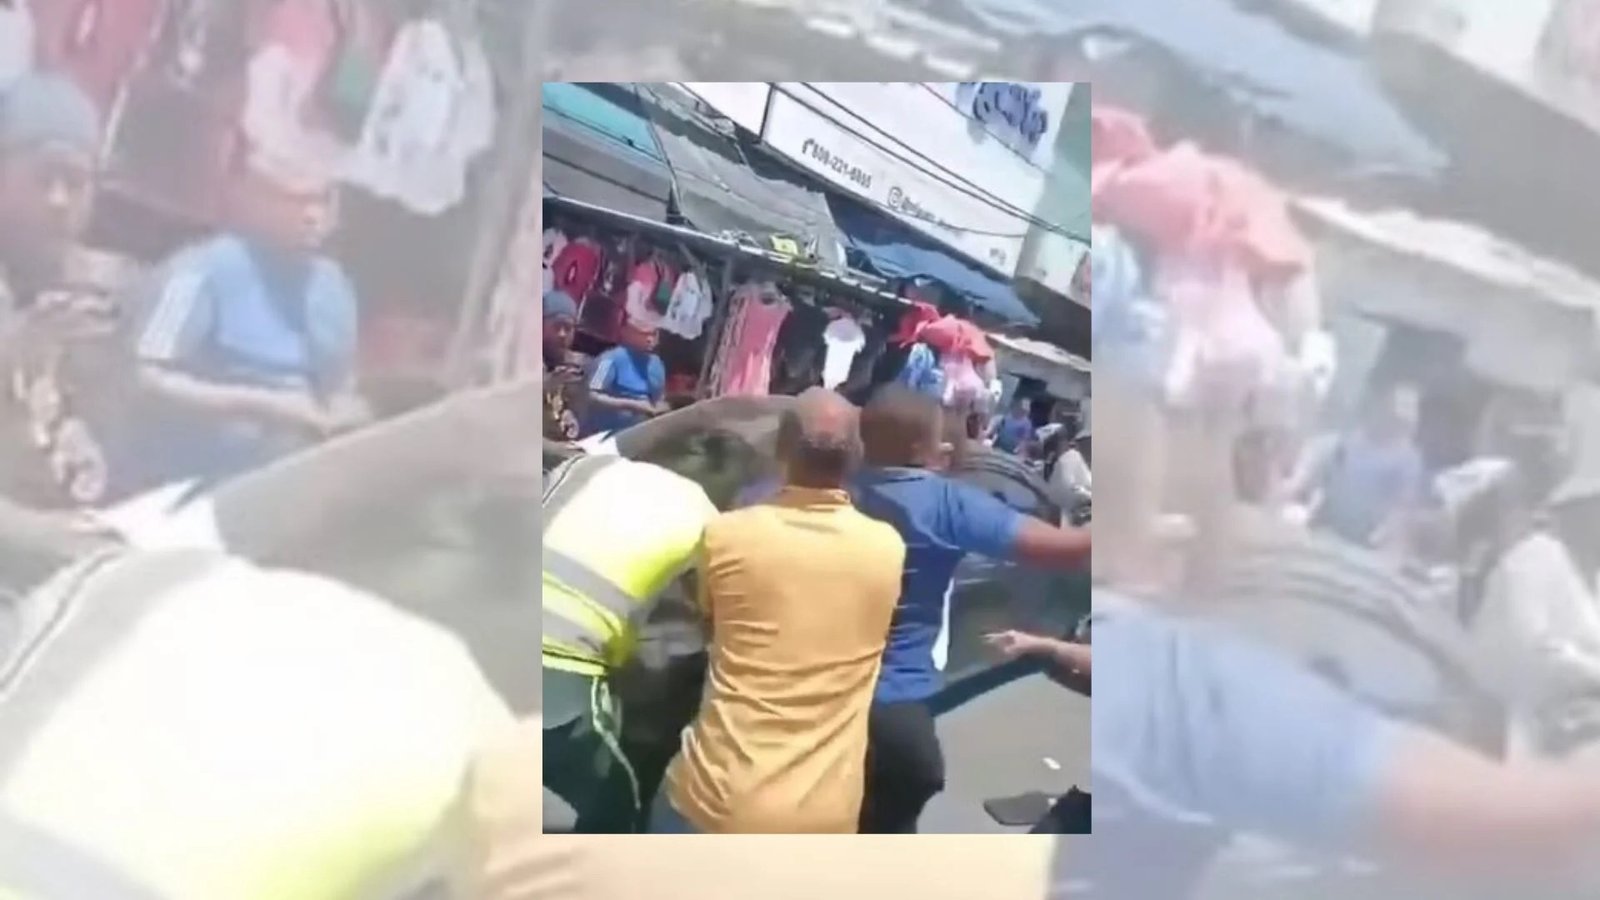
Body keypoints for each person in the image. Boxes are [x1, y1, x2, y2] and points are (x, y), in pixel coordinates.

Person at [656, 389, 905, 834]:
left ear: (780, 449)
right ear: (857, 457)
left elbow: (710, 620)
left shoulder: (726, 535)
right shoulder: (887, 548)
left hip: (714, 798)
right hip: (823, 816)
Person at [852, 385, 1091, 833]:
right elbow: (1070, 551)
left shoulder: (828, 485)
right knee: (912, 786)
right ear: (926, 449)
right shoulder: (945, 502)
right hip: (891, 698)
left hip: (807, 689)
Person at [543, 429, 763, 833]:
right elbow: (717, 621)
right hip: (563, 661)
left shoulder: (588, 467)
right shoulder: (713, 527)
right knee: (610, 796)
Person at [124, 163, 369, 495]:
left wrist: (344, 413)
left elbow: (338, 387)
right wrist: (261, 405)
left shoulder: (334, 287)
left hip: (291, 480)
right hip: (191, 483)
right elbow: (144, 379)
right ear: (256, 198)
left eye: (323, 200)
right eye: (297, 200)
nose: (314, 215)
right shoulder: (196, 271)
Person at [0, 73, 116, 511]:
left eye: (75, 184)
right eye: (43, 178)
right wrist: (16, 350)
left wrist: (79, 450)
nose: (58, 200)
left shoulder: (90, 300)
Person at [1299, 383, 1426, 547]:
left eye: (1404, 419)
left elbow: (1401, 507)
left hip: (1366, 544)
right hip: (1324, 531)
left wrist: (1383, 537)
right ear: (1381, 408)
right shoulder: (1343, 441)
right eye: (1393, 414)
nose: (1396, 423)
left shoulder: (1408, 460)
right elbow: (1321, 482)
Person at [582, 316, 666, 437]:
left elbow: (658, 399)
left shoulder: (656, 364)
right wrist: (631, 405)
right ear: (627, 332)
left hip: (642, 434)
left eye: (653, 334)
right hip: (606, 435)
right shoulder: (607, 359)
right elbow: (591, 395)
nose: (649, 339)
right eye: (643, 334)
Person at [542, 289, 584, 443]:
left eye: (568, 328)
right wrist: (547, 386)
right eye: (556, 327)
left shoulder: (577, 368)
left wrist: (570, 417)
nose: (562, 334)